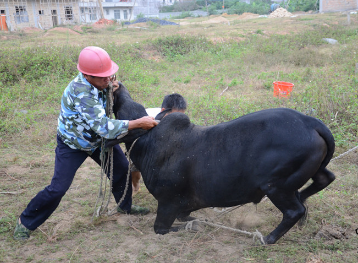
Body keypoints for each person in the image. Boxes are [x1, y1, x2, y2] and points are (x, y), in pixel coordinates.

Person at [13, 46, 158, 240]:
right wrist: (139, 123)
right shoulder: (82, 92)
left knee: (121, 168)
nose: (108, 80)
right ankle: (25, 221)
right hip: (74, 143)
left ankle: (125, 206)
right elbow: (104, 127)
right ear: (87, 75)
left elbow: (108, 91)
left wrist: (111, 85)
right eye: (103, 77)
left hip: (98, 141)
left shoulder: (100, 82)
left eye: (109, 75)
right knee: (58, 188)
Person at [131, 93, 187, 194]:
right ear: (163, 111)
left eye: (181, 116)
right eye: (175, 116)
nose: (178, 119)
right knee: (134, 167)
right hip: (143, 144)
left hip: (164, 145)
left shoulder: (180, 121)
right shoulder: (146, 116)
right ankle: (135, 186)